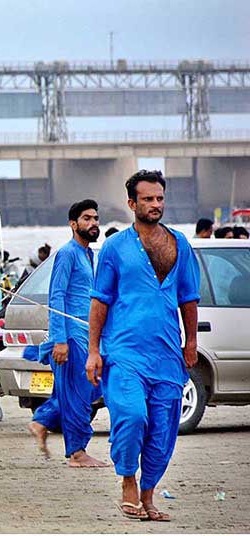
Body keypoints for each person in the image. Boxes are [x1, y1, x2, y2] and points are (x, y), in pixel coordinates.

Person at [87, 170, 200, 522]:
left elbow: (189, 299)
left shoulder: (180, 243)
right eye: (148, 199)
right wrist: (93, 351)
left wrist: (191, 342)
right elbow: (99, 301)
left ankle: (149, 496)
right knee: (133, 416)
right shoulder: (115, 247)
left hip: (168, 354)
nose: (155, 205)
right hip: (125, 352)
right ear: (132, 203)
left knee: (163, 430)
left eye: (160, 198)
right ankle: (127, 481)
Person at [28, 199, 108, 468]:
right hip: (71, 336)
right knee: (78, 394)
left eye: (95, 218)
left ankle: (43, 421)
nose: (93, 223)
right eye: (86, 218)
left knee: (85, 390)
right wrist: (60, 339)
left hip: (87, 335)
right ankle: (77, 453)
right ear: (73, 224)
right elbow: (57, 295)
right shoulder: (68, 253)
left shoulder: (89, 255)